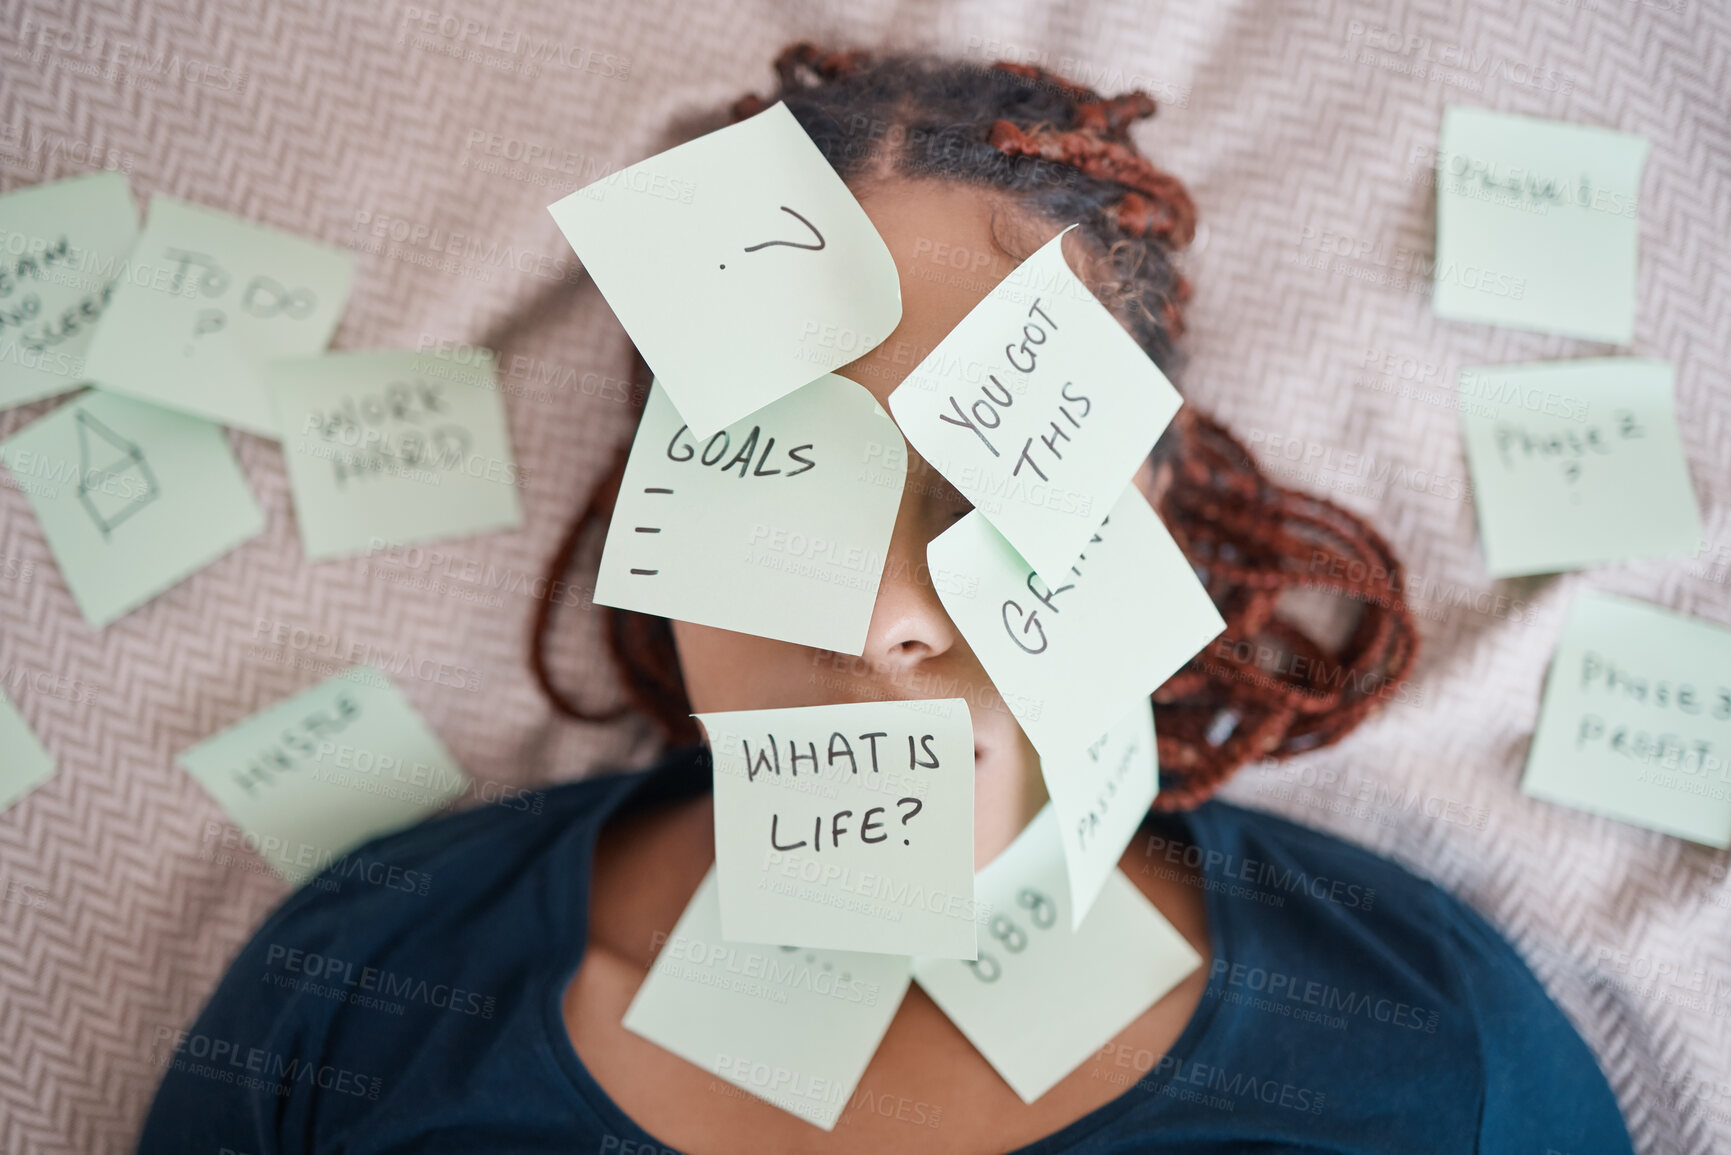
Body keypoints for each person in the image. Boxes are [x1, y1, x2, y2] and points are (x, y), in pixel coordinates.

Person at [138, 46, 1633, 1155]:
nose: (882, 621)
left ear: (1154, 499)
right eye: (781, 479)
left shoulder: (1434, 1049)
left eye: (980, 492)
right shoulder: (368, 985)